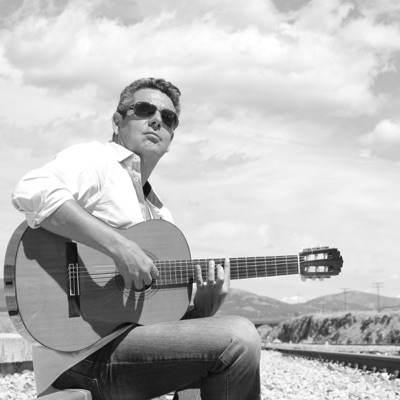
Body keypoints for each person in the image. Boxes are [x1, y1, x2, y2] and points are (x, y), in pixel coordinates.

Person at [12, 77, 261, 400]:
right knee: (240, 336)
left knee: (209, 370)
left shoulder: (162, 218)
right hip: (77, 355)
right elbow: (32, 190)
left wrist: (203, 307)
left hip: (125, 352)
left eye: (169, 118)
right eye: (144, 110)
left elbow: (159, 326)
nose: (157, 120)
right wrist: (120, 248)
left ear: (170, 140)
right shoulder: (96, 161)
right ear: (117, 122)